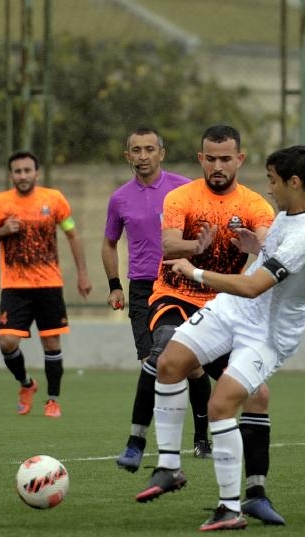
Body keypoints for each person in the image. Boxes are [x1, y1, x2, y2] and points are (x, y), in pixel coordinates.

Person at [138, 144, 305, 531]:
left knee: (220, 405)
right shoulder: (299, 214)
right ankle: (169, 467)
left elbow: (252, 287)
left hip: (268, 331)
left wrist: (194, 272)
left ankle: (230, 509)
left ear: (294, 182)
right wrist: (264, 250)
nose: (268, 189)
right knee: (169, 362)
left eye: (272, 181)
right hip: (233, 310)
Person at [131, 124, 291, 526]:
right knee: (167, 351)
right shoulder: (181, 197)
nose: (218, 166)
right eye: (211, 159)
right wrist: (196, 247)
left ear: (240, 159)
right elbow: (169, 244)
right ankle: (160, 458)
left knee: (258, 395)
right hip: (176, 294)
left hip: (227, 309)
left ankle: (255, 493)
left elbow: (273, 251)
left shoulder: (256, 206)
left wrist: (258, 246)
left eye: (226, 159)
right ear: (201, 159)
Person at [102, 127, 210, 469]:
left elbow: (206, 234)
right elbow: (109, 243)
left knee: (192, 367)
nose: (143, 156)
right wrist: (114, 285)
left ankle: (201, 437)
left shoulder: (184, 189)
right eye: (136, 150)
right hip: (142, 289)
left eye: (149, 149)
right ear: (127, 156)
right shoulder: (120, 198)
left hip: (181, 284)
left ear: (161, 153)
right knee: (154, 361)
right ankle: (141, 443)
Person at [0, 149, 92, 418]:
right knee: (7, 342)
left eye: (27, 170)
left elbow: (72, 234)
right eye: (17, 171)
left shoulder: (54, 199)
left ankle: (52, 400)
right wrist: (3, 231)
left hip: (48, 285)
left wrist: (83, 273)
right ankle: (26, 383)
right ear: (11, 175)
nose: (23, 176)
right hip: (14, 286)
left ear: (36, 173)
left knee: (51, 343)